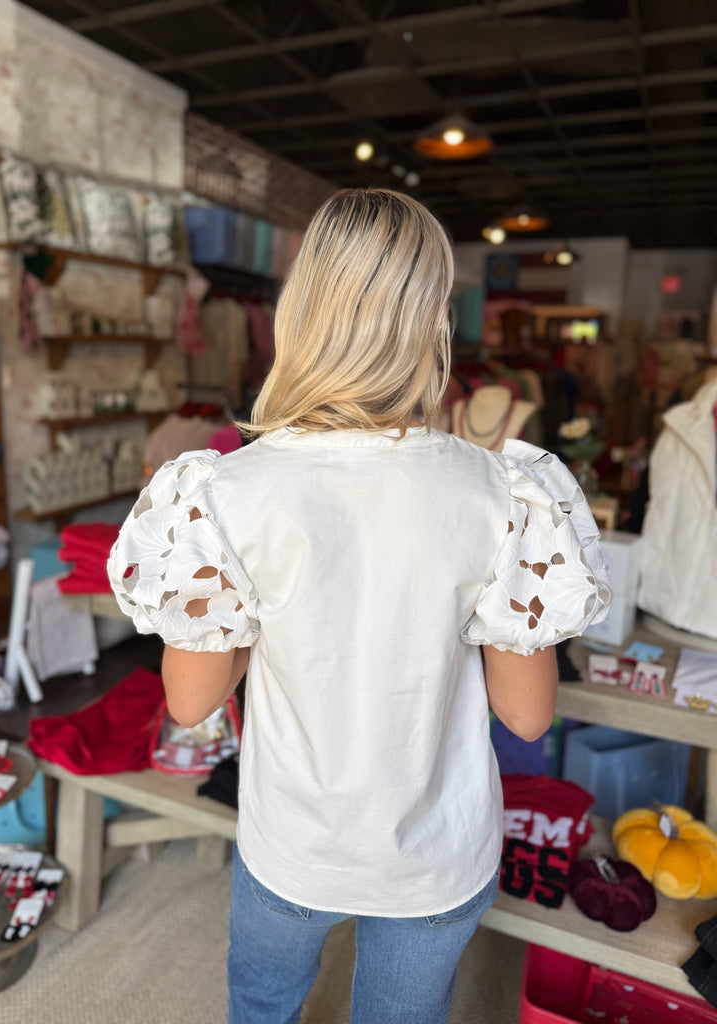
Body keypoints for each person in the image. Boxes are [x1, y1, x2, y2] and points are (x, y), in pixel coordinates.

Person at [107, 188, 610, 1024]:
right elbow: (526, 717)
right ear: (432, 319)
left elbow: (191, 702)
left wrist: (269, 612)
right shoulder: (506, 491)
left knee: (263, 1007)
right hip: (435, 852)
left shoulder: (222, 491)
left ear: (299, 310)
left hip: (293, 841)